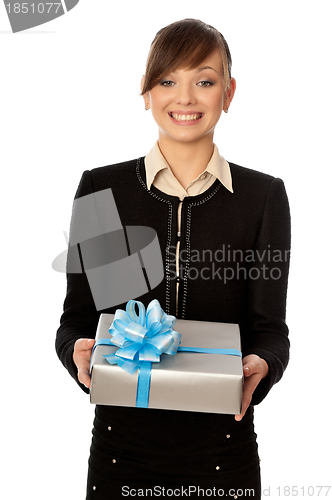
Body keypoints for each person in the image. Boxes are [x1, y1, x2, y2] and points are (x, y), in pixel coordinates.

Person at [56, 18, 291, 499]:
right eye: (167, 80)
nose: (185, 98)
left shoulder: (262, 197)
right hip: (122, 454)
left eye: (204, 81)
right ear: (146, 93)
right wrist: (75, 352)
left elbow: (270, 331)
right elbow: (78, 319)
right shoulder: (103, 191)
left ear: (227, 93)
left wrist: (263, 363)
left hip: (225, 454)